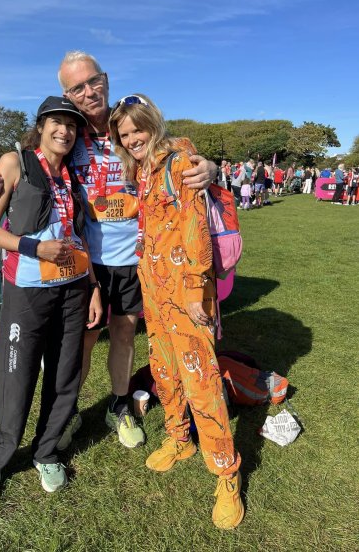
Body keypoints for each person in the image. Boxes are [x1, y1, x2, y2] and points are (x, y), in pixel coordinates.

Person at [0, 51, 217, 451]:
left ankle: (119, 406)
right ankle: (67, 413)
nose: (88, 92)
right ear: (66, 94)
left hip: (137, 259)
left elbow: (169, 148)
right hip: (83, 262)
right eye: (76, 87)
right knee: (83, 340)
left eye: (92, 81)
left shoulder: (128, 122)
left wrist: (210, 167)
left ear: (105, 78)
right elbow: (23, 157)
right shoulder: (67, 131)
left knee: (124, 333)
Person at [108, 94, 243, 530]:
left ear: (153, 123)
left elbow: (194, 224)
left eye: (136, 130)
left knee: (201, 380)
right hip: (155, 291)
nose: (131, 139)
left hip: (187, 292)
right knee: (164, 370)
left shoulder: (179, 158)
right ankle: (179, 438)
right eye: (123, 134)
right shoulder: (143, 170)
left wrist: (192, 287)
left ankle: (227, 472)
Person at [0, 96, 103, 502]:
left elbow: (80, 236)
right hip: (27, 293)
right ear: (41, 125)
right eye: (57, 123)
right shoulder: (16, 163)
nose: (64, 131)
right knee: (16, 378)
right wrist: (33, 249)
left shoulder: (74, 176)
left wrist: (94, 285)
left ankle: (47, 451)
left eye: (71, 125)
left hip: (73, 289)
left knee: (65, 375)